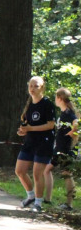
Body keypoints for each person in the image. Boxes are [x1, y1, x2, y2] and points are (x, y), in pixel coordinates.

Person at [14, 76, 57, 212]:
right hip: (30, 142)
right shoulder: (29, 105)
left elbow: (50, 125)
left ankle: (38, 203)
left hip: (44, 143)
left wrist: (31, 129)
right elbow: (28, 125)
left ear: (42, 87)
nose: (32, 89)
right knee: (19, 171)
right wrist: (23, 131)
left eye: (36, 86)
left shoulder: (47, 104)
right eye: (30, 86)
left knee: (37, 174)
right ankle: (31, 196)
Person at [50, 87, 79, 210]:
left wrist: (74, 134)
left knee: (67, 175)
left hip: (66, 151)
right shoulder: (63, 114)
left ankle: (69, 204)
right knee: (46, 170)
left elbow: (76, 128)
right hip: (58, 149)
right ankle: (44, 198)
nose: (55, 100)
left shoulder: (69, 114)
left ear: (60, 98)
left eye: (56, 97)